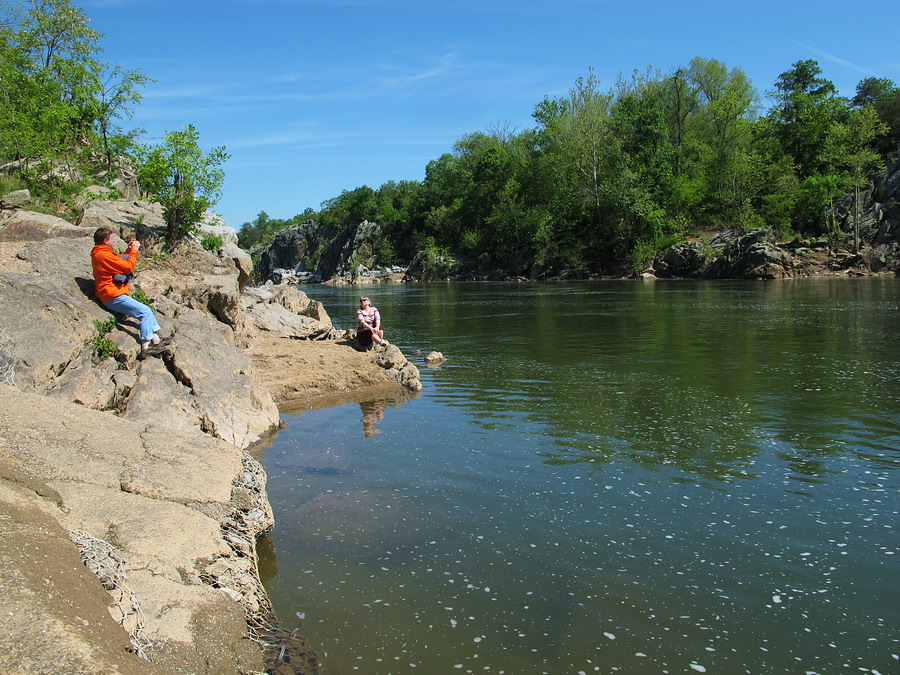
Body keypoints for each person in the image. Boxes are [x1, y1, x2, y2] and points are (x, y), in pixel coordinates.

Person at [91, 227, 171, 355]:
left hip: (113, 294)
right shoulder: (103, 255)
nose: (113, 241)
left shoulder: (102, 253)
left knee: (146, 310)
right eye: (111, 239)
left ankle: (156, 341)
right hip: (112, 296)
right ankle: (146, 346)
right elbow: (127, 267)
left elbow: (118, 261)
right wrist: (134, 251)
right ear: (106, 241)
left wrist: (128, 250)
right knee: (144, 312)